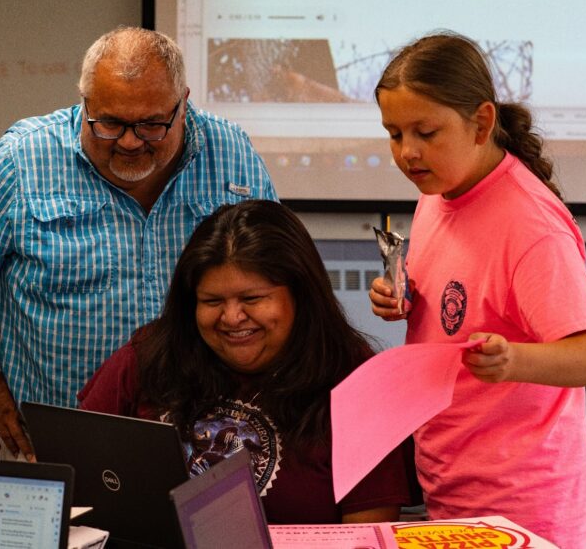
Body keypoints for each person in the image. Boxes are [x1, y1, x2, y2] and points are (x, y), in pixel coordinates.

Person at [0, 27, 276, 460]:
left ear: (183, 105)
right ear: (84, 102)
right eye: (110, 123)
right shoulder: (21, 160)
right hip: (54, 439)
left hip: (201, 442)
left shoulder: (230, 153)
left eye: (151, 124)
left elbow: (275, 273)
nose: (129, 141)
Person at [369, 31, 586, 547]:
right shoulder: (440, 189)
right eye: (393, 133)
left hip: (523, 507)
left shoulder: (530, 225)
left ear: (482, 122)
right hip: (454, 487)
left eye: (425, 132)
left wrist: (515, 362)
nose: (408, 152)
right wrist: (402, 296)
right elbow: (464, 302)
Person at [78, 200, 415, 524]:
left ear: (300, 294)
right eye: (212, 301)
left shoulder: (355, 378)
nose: (232, 317)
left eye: (252, 299)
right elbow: (77, 467)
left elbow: (367, 533)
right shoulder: (152, 354)